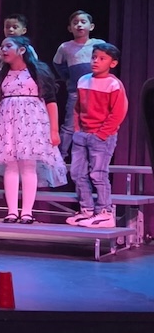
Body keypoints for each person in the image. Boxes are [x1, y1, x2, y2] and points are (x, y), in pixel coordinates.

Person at [0, 36, 68, 224]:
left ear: (22, 50)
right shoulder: (2, 75)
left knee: (28, 165)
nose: (3, 50)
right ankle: (11, 211)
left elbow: (51, 102)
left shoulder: (37, 72)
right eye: (2, 47)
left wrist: (54, 130)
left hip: (32, 124)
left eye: (8, 46)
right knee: (11, 165)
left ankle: (26, 212)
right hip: (7, 125)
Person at [67, 43, 128, 228]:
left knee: (98, 174)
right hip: (82, 135)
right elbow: (78, 108)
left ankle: (105, 213)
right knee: (77, 173)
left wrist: (102, 134)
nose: (96, 61)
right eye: (94, 57)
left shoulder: (113, 84)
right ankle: (87, 209)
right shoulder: (83, 80)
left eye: (102, 59)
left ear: (113, 63)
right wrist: (77, 129)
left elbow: (118, 112)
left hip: (101, 137)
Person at [53, 10, 106, 161]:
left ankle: (94, 158)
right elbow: (57, 63)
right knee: (70, 125)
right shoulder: (65, 47)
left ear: (91, 26)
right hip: (76, 92)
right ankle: (60, 158)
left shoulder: (99, 44)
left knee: (95, 125)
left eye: (83, 22)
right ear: (70, 28)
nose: (79, 25)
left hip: (97, 92)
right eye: (75, 23)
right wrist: (67, 77)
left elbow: (107, 60)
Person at [0, 14, 36, 85]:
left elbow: (34, 67)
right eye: (7, 27)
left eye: (15, 27)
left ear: (23, 30)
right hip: (3, 83)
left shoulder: (28, 49)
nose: (10, 30)